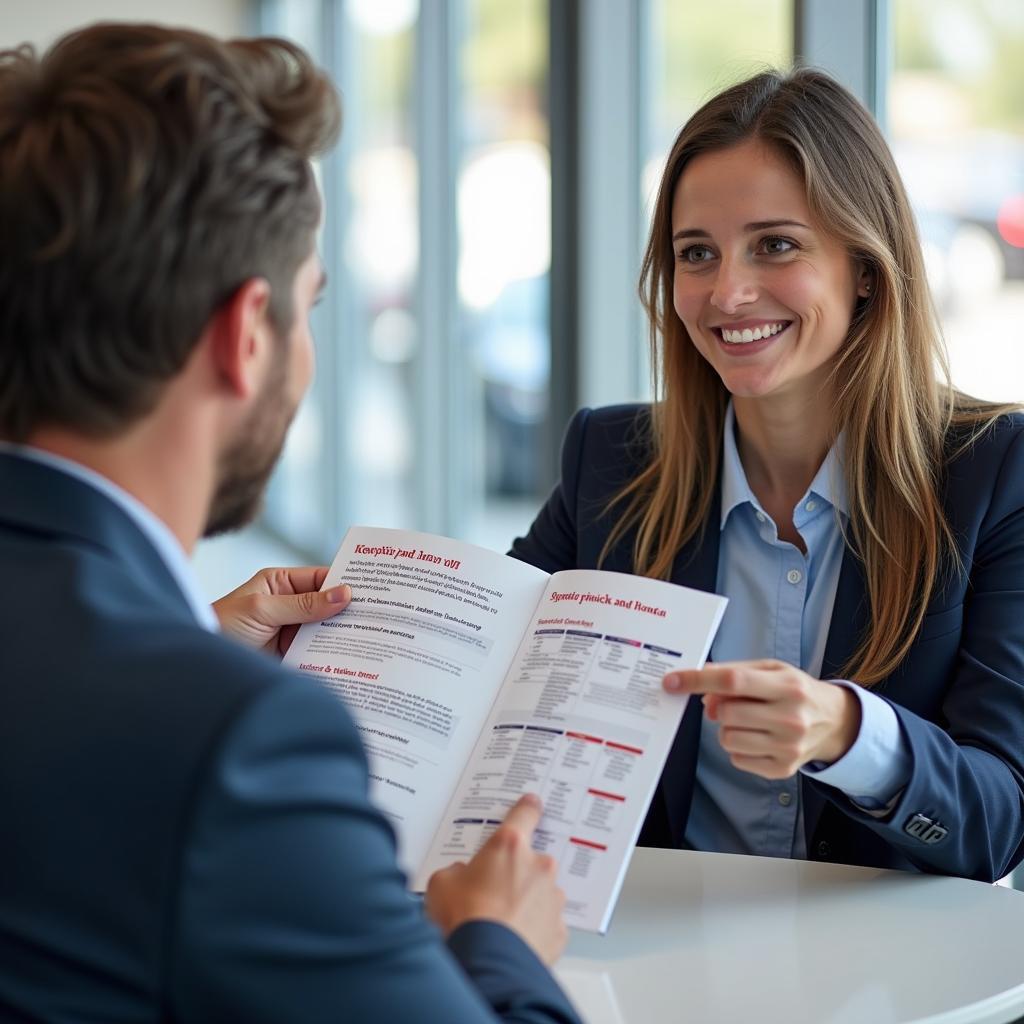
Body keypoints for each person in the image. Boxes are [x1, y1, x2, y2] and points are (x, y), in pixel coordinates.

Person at [0, 23, 581, 1024]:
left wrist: (184, 650)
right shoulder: (238, 741)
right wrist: (499, 943)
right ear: (242, 334)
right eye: (310, 308)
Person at [511, 68, 1024, 882]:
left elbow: (999, 823)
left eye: (775, 245)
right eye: (696, 254)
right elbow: (486, 671)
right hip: (658, 969)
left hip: (889, 992)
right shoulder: (607, 461)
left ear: (864, 264)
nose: (729, 292)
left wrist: (851, 736)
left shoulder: (994, 471)